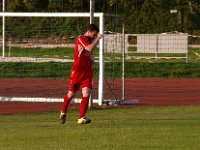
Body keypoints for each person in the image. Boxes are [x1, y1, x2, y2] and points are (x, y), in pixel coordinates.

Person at [60, 24, 103, 125]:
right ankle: (63, 112)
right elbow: (89, 49)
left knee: (86, 92)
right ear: (90, 31)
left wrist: (91, 60)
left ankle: (81, 118)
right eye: (94, 34)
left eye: (96, 35)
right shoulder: (81, 38)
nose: (94, 36)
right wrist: (99, 38)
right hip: (77, 71)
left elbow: (89, 52)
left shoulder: (90, 40)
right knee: (71, 94)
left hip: (87, 71)